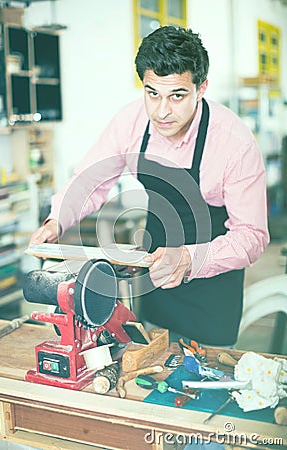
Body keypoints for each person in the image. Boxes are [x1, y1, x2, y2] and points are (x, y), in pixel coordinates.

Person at [29, 26, 269, 348]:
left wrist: (188, 259)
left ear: (202, 88)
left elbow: (252, 235)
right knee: (150, 369)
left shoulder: (233, 144)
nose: (162, 111)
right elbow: (90, 178)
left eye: (177, 96)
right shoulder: (132, 122)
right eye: (152, 92)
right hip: (155, 284)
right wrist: (57, 219)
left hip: (213, 295)